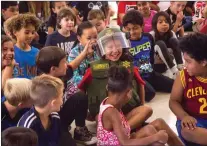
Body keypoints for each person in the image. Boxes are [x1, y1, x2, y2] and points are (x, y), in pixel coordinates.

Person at [78, 27, 153, 129]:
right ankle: (127, 129)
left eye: (118, 46)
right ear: (101, 48)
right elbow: (81, 90)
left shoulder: (129, 66)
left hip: (128, 112)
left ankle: (122, 130)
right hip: (106, 116)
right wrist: (86, 113)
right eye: (110, 47)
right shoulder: (93, 69)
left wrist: (141, 104)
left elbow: (141, 84)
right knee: (98, 118)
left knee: (147, 109)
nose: (115, 50)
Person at [97, 65, 183, 146]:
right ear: (128, 92)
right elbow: (125, 143)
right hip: (124, 143)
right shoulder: (112, 112)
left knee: (159, 123)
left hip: (122, 140)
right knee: (152, 134)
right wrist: (155, 137)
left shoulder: (110, 101)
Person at [36, 46, 97, 145]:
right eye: (64, 62)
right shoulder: (43, 88)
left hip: (58, 116)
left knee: (80, 96)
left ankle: (79, 132)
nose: (67, 64)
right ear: (53, 69)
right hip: (50, 124)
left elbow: (72, 66)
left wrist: (84, 53)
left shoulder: (59, 73)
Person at [122, 10, 174, 102]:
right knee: (150, 94)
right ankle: (144, 87)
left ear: (142, 26)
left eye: (135, 28)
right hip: (136, 77)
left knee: (173, 85)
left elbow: (151, 56)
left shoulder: (148, 37)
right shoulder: (124, 44)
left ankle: (151, 84)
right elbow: (125, 64)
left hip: (150, 73)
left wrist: (152, 70)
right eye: (128, 29)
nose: (132, 32)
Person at [169, 33, 207, 146]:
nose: (185, 65)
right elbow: (173, 101)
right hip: (193, 122)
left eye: (189, 61)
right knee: (187, 131)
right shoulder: (183, 76)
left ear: (204, 62)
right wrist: (184, 116)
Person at [17, 74, 64, 146]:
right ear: (53, 103)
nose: (62, 101)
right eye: (61, 97)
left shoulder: (55, 117)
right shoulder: (27, 126)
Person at [5, 13, 41, 79]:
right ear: (15, 32)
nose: (31, 36)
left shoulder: (37, 52)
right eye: (27, 32)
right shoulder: (10, 52)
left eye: (33, 32)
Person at [150, 11, 184, 79]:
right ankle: (175, 72)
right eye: (160, 22)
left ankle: (181, 68)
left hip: (170, 62)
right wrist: (156, 58)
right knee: (160, 43)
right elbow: (147, 54)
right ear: (155, 24)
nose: (164, 24)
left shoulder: (171, 33)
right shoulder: (151, 35)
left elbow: (177, 50)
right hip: (157, 65)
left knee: (174, 40)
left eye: (166, 22)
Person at [68, 21, 99, 88]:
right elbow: (74, 78)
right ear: (79, 38)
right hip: (81, 87)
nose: (93, 40)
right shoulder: (74, 53)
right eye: (89, 38)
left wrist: (91, 57)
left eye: (95, 37)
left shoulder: (99, 49)